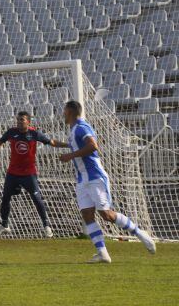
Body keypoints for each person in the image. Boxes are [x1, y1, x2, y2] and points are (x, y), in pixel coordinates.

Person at [57, 100, 156, 263]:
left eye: (64, 110)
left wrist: (70, 156)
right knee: (87, 215)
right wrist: (61, 146)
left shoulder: (82, 127)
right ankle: (102, 253)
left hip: (95, 176)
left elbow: (93, 146)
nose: (63, 114)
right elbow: (76, 146)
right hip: (83, 179)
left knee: (106, 215)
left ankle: (140, 234)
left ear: (70, 111)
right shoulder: (73, 130)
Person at [0, 111, 60, 237]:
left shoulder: (34, 134)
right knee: (5, 198)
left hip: (29, 173)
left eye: (22, 120)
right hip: (13, 172)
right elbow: (0, 142)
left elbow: (52, 143)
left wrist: (69, 145)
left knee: (37, 198)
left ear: (28, 121)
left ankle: (46, 226)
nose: (19, 122)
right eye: (18, 120)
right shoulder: (11, 132)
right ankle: (4, 225)